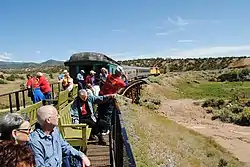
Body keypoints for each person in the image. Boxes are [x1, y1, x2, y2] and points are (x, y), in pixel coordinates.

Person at [98, 66, 126, 134]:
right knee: (107, 113)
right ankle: (106, 129)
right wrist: (125, 77)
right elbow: (125, 85)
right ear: (120, 73)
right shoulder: (120, 82)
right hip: (109, 98)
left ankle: (100, 127)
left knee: (101, 111)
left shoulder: (109, 76)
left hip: (101, 95)